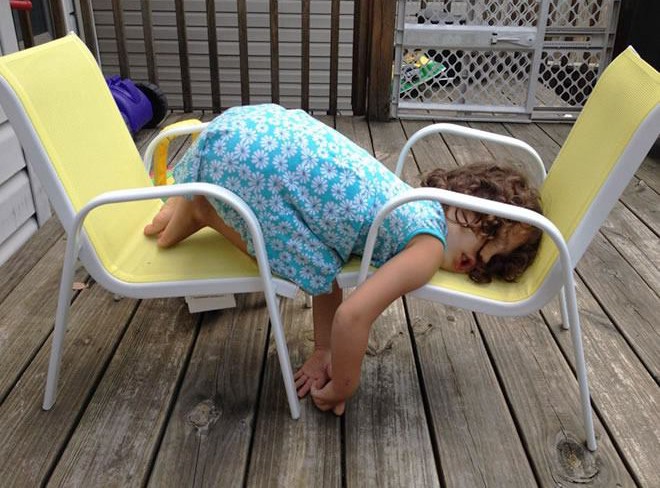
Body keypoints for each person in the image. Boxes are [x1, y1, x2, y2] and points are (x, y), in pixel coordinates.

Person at [144, 104, 542, 415]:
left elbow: (330, 272)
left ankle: (186, 196)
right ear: (465, 196)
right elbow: (353, 316)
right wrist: (344, 385)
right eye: (486, 235)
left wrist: (324, 351)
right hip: (252, 164)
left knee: (319, 257)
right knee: (289, 261)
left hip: (253, 131)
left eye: (487, 263)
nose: (476, 261)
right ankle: (204, 210)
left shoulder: (407, 197)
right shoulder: (428, 247)